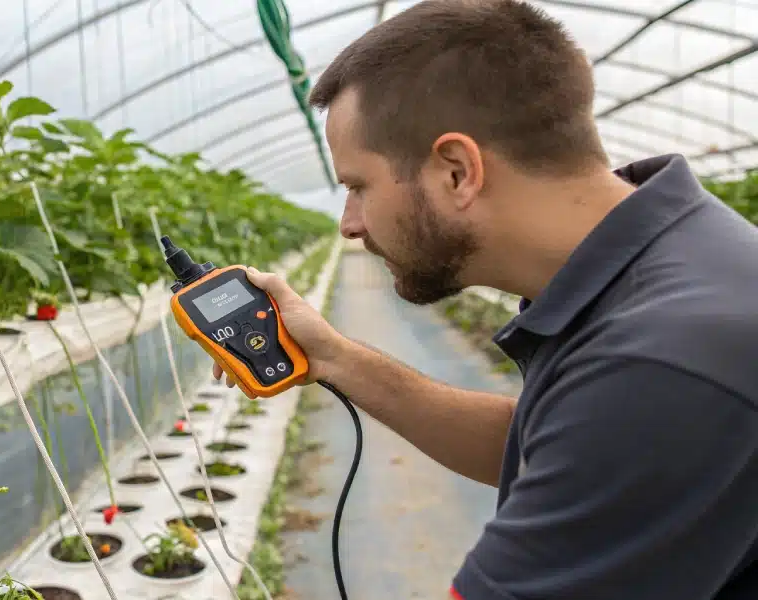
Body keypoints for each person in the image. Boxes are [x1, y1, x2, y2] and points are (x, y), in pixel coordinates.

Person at [212, 1, 758, 598]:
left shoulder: (661, 362)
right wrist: (331, 357)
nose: (349, 224)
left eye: (359, 187)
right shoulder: (666, 270)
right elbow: (549, 444)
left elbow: (615, 424)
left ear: (456, 171)